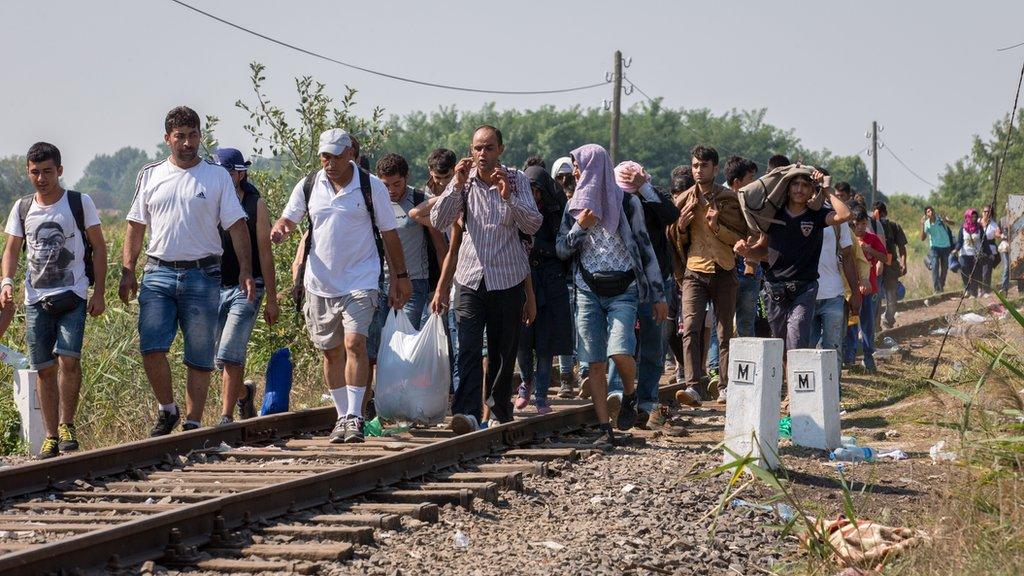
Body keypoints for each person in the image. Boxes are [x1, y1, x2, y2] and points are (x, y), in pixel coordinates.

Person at [272, 128, 411, 444]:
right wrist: (281, 229)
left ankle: (354, 418)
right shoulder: (309, 185)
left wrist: (400, 278)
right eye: (324, 155)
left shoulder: (370, 186)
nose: (329, 162)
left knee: (354, 344)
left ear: (351, 154)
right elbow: (289, 219)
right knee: (332, 352)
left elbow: (389, 234)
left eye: (335, 155)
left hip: (361, 280)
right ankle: (341, 417)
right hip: (321, 283)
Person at [121, 107, 254, 436]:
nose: (187, 142)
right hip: (158, 273)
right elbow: (135, 226)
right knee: (151, 346)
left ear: (200, 136)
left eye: (192, 134)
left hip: (203, 274)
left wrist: (246, 271)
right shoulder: (150, 175)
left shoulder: (216, 176)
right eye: (179, 136)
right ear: (167, 139)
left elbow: (237, 227)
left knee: (199, 352)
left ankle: (193, 424)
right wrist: (127, 269)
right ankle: (168, 409)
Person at [430, 125, 542, 433]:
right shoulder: (463, 183)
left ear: (501, 150)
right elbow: (439, 220)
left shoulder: (517, 180)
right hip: (470, 276)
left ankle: (498, 410)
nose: (483, 154)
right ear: (471, 149)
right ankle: (466, 412)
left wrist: (509, 199)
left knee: (502, 351)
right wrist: (455, 183)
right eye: (478, 148)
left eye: (489, 148)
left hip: (507, 277)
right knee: (467, 345)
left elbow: (533, 226)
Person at [2, 142, 107, 458]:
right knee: (44, 368)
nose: (41, 178)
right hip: (36, 300)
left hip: (73, 294)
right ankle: (50, 436)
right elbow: (11, 250)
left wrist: (99, 291)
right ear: (28, 172)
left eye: (48, 171)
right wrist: (6, 281)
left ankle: (67, 426)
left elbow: (99, 247)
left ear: (59, 171)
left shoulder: (78, 202)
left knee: (69, 359)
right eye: (35, 172)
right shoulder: (22, 208)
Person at [556, 144, 666, 443]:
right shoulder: (573, 208)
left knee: (620, 350)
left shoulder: (628, 203)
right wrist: (579, 227)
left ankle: (629, 393)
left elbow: (645, 249)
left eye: (579, 165)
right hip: (587, 290)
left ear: (596, 167)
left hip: (624, 290)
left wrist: (658, 295)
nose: (575, 171)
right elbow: (562, 250)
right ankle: (605, 428)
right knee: (594, 362)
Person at [735, 169, 852, 353]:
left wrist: (827, 190)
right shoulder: (773, 215)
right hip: (774, 288)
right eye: (795, 184)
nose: (799, 189)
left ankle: (795, 381)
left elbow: (845, 215)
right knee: (781, 343)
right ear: (787, 188)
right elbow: (763, 248)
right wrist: (747, 251)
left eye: (805, 185)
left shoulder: (817, 215)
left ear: (812, 189)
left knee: (796, 340)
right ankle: (788, 380)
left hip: (804, 288)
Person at [668, 146, 748, 407]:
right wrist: (680, 227)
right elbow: (672, 238)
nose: (698, 170)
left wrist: (718, 228)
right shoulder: (683, 202)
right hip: (694, 271)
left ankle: (724, 386)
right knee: (689, 329)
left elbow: (741, 239)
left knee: (725, 332)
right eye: (694, 165)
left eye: (703, 165)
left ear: (715, 168)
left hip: (724, 270)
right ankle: (693, 386)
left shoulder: (729, 199)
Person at [605, 160, 681, 433]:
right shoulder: (613, 201)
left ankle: (647, 401)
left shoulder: (652, 197)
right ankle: (616, 396)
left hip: (657, 282)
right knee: (621, 342)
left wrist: (644, 188)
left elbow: (671, 215)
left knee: (653, 344)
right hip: (624, 283)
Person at [211, 148, 279, 425]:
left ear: (240, 173)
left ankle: (225, 418)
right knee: (217, 358)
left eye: (228, 172)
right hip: (213, 286)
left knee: (230, 351)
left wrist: (273, 298)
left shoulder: (255, 204)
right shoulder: (208, 200)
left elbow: (265, 253)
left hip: (248, 286)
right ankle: (244, 394)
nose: (223, 177)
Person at [513, 166, 573, 415]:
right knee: (522, 340)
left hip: (551, 280)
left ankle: (541, 396)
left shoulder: (557, 212)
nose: (535, 197)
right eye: (530, 191)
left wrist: (540, 249)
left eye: (538, 191)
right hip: (522, 279)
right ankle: (526, 381)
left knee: (547, 344)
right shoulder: (517, 210)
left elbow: (565, 246)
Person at [809, 171, 862, 376]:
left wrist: (855, 293)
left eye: (817, 187)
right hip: (806, 295)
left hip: (833, 295)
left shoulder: (835, 218)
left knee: (833, 351)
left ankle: (833, 395)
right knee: (807, 351)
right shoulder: (798, 214)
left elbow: (848, 258)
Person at [550, 155, 579, 398]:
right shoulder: (555, 206)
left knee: (585, 329)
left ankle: (587, 374)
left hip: (587, 276)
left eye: (568, 176)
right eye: (558, 177)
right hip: (564, 276)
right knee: (566, 328)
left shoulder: (585, 203)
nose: (563, 180)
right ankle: (567, 377)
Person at [850, 209, 887, 373]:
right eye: (857, 224)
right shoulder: (847, 238)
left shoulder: (872, 238)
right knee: (850, 323)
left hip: (869, 287)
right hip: (850, 288)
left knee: (867, 323)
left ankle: (868, 356)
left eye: (863, 224)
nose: (860, 227)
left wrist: (869, 250)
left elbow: (885, 258)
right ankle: (849, 358)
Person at [871, 202, 907, 330]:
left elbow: (902, 247)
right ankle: (875, 326)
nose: (880, 217)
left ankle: (888, 320)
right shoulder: (871, 226)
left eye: (881, 213)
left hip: (891, 267)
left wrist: (904, 263)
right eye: (877, 213)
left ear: (885, 213)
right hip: (876, 267)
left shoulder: (893, 227)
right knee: (876, 298)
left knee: (891, 297)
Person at [953, 208, 988, 298]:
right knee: (964, 269)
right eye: (972, 217)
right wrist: (956, 250)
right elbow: (960, 242)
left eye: (975, 217)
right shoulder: (963, 228)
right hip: (964, 254)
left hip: (975, 254)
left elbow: (984, 241)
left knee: (975, 274)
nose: (974, 218)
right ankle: (967, 289)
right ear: (967, 217)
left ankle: (974, 293)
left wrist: (988, 252)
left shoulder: (979, 227)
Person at [921, 206, 953, 294]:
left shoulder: (941, 219)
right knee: (935, 267)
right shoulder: (927, 223)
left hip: (946, 246)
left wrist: (946, 220)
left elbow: (953, 223)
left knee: (944, 268)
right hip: (934, 247)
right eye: (928, 211)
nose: (930, 212)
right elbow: (922, 238)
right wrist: (922, 225)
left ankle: (941, 286)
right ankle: (936, 289)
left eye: (931, 210)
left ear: (934, 211)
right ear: (926, 215)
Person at [979, 203, 1002, 296]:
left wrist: (1001, 235)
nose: (986, 213)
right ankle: (980, 289)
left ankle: (986, 290)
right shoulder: (978, 222)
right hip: (979, 249)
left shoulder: (993, 224)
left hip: (990, 249)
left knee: (987, 271)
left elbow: (997, 233)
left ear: (990, 213)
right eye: (984, 211)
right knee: (979, 270)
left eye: (988, 212)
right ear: (982, 212)